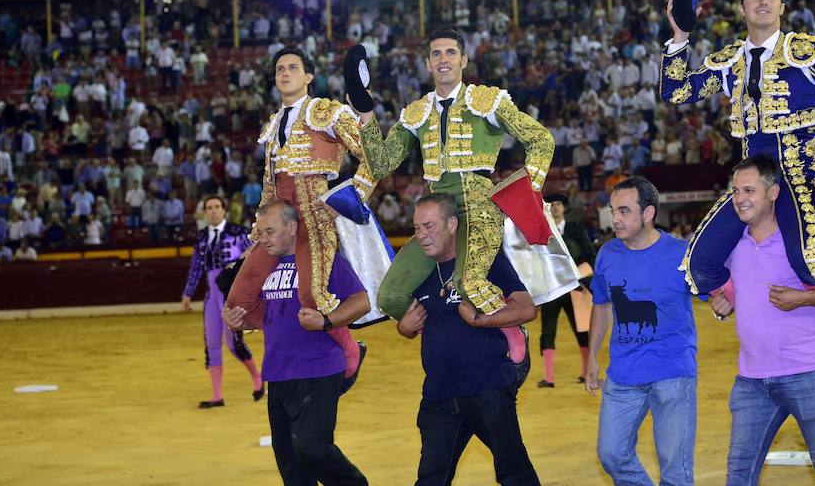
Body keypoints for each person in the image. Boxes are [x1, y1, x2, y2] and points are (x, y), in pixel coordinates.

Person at [660, 0, 815, 297]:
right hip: (750, 182)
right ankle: (739, 300)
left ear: (782, 8)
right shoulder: (730, 60)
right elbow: (676, 91)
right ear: (742, 9)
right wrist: (679, 35)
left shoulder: (808, 53)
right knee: (700, 261)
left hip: (798, 178)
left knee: (807, 260)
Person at [350, 26, 554, 322]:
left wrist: (526, 193)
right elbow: (381, 164)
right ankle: (441, 331)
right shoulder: (417, 112)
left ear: (464, 60)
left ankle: (511, 334)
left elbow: (540, 139)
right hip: (438, 214)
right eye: (436, 53)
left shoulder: (487, 101)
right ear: (428, 63)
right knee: (389, 297)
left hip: (480, 209)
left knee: (470, 285)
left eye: (450, 52)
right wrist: (366, 115)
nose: (443, 59)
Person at [708, 155, 815, 485]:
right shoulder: (731, 243)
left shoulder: (806, 238)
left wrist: (803, 298)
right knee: (738, 473)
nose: (740, 198)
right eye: (736, 190)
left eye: (749, 190)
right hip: (752, 378)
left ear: (773, 193)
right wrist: (721, 306)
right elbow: (734, 293)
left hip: (810, 371)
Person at [226, 46, 377, 389]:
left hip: (314, 213)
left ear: (309, 77)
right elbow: (269, 183)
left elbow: (372, 153)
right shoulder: (273, 123)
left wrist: (351, 197)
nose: (285, 73)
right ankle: (294, 335)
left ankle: (350, 349)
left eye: (293, 67)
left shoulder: (328, 112)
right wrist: (257, 232)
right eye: (280, 68)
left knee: (313, 297)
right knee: (239, 298)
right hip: (278, 220)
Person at [222, 200, 369, 486]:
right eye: (260, 232)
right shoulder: (264, 267)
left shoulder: (322, 262)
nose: (263, 239)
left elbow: (361, 302)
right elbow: (269, 317)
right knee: (290, 463)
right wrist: (239, 321)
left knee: (312, 449)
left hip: (318, 370)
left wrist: (326, 321)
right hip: (278, 372)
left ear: (291, 228)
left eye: (269, 231)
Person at [397, 194, 540, 486]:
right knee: (430, 479)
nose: (421, 236)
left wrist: (481, 320)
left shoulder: (485, 262)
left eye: (428, 226)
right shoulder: (421, 272)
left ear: (452, 224)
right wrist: (404, 328)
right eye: (416, 228)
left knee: (515, 473)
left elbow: (527, 309)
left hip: (487, 387)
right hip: (439, 393)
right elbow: (412, 324)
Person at [586, 177, 697, 486]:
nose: (615, 219)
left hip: (672, 371)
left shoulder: (681, 253)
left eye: (624, 211)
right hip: (623, 374)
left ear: (648, 213)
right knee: (611, 454)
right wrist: (592, 357)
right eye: (613, 211)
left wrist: (724, 300)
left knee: (675, 470)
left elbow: (716, 293)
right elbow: (601, 305)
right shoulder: (607, 254)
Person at [181, 194, 262, 409]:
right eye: (209, 208)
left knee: (234, 343)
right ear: (205, 212)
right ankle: (217, 395)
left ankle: (257, 378)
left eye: (217, 207)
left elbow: (253, 257)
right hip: (211, 296)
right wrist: (187, 294)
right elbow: (196, 268)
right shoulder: (200, 237)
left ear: (224, 210)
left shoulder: (238, 233)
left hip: (231, 294)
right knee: (212, 344)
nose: (213, 211)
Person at [537, 193, 596, 388]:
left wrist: (577, 275)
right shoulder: (541, 230)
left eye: (558, 204)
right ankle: (549, 377)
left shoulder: (576, 229)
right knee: (548, 330)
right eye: (551, 204)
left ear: (564, 207)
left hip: (575, 286)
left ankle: (586, 373)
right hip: (551, 288)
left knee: (582, 330)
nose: (554, 207)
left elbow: (590, 255)